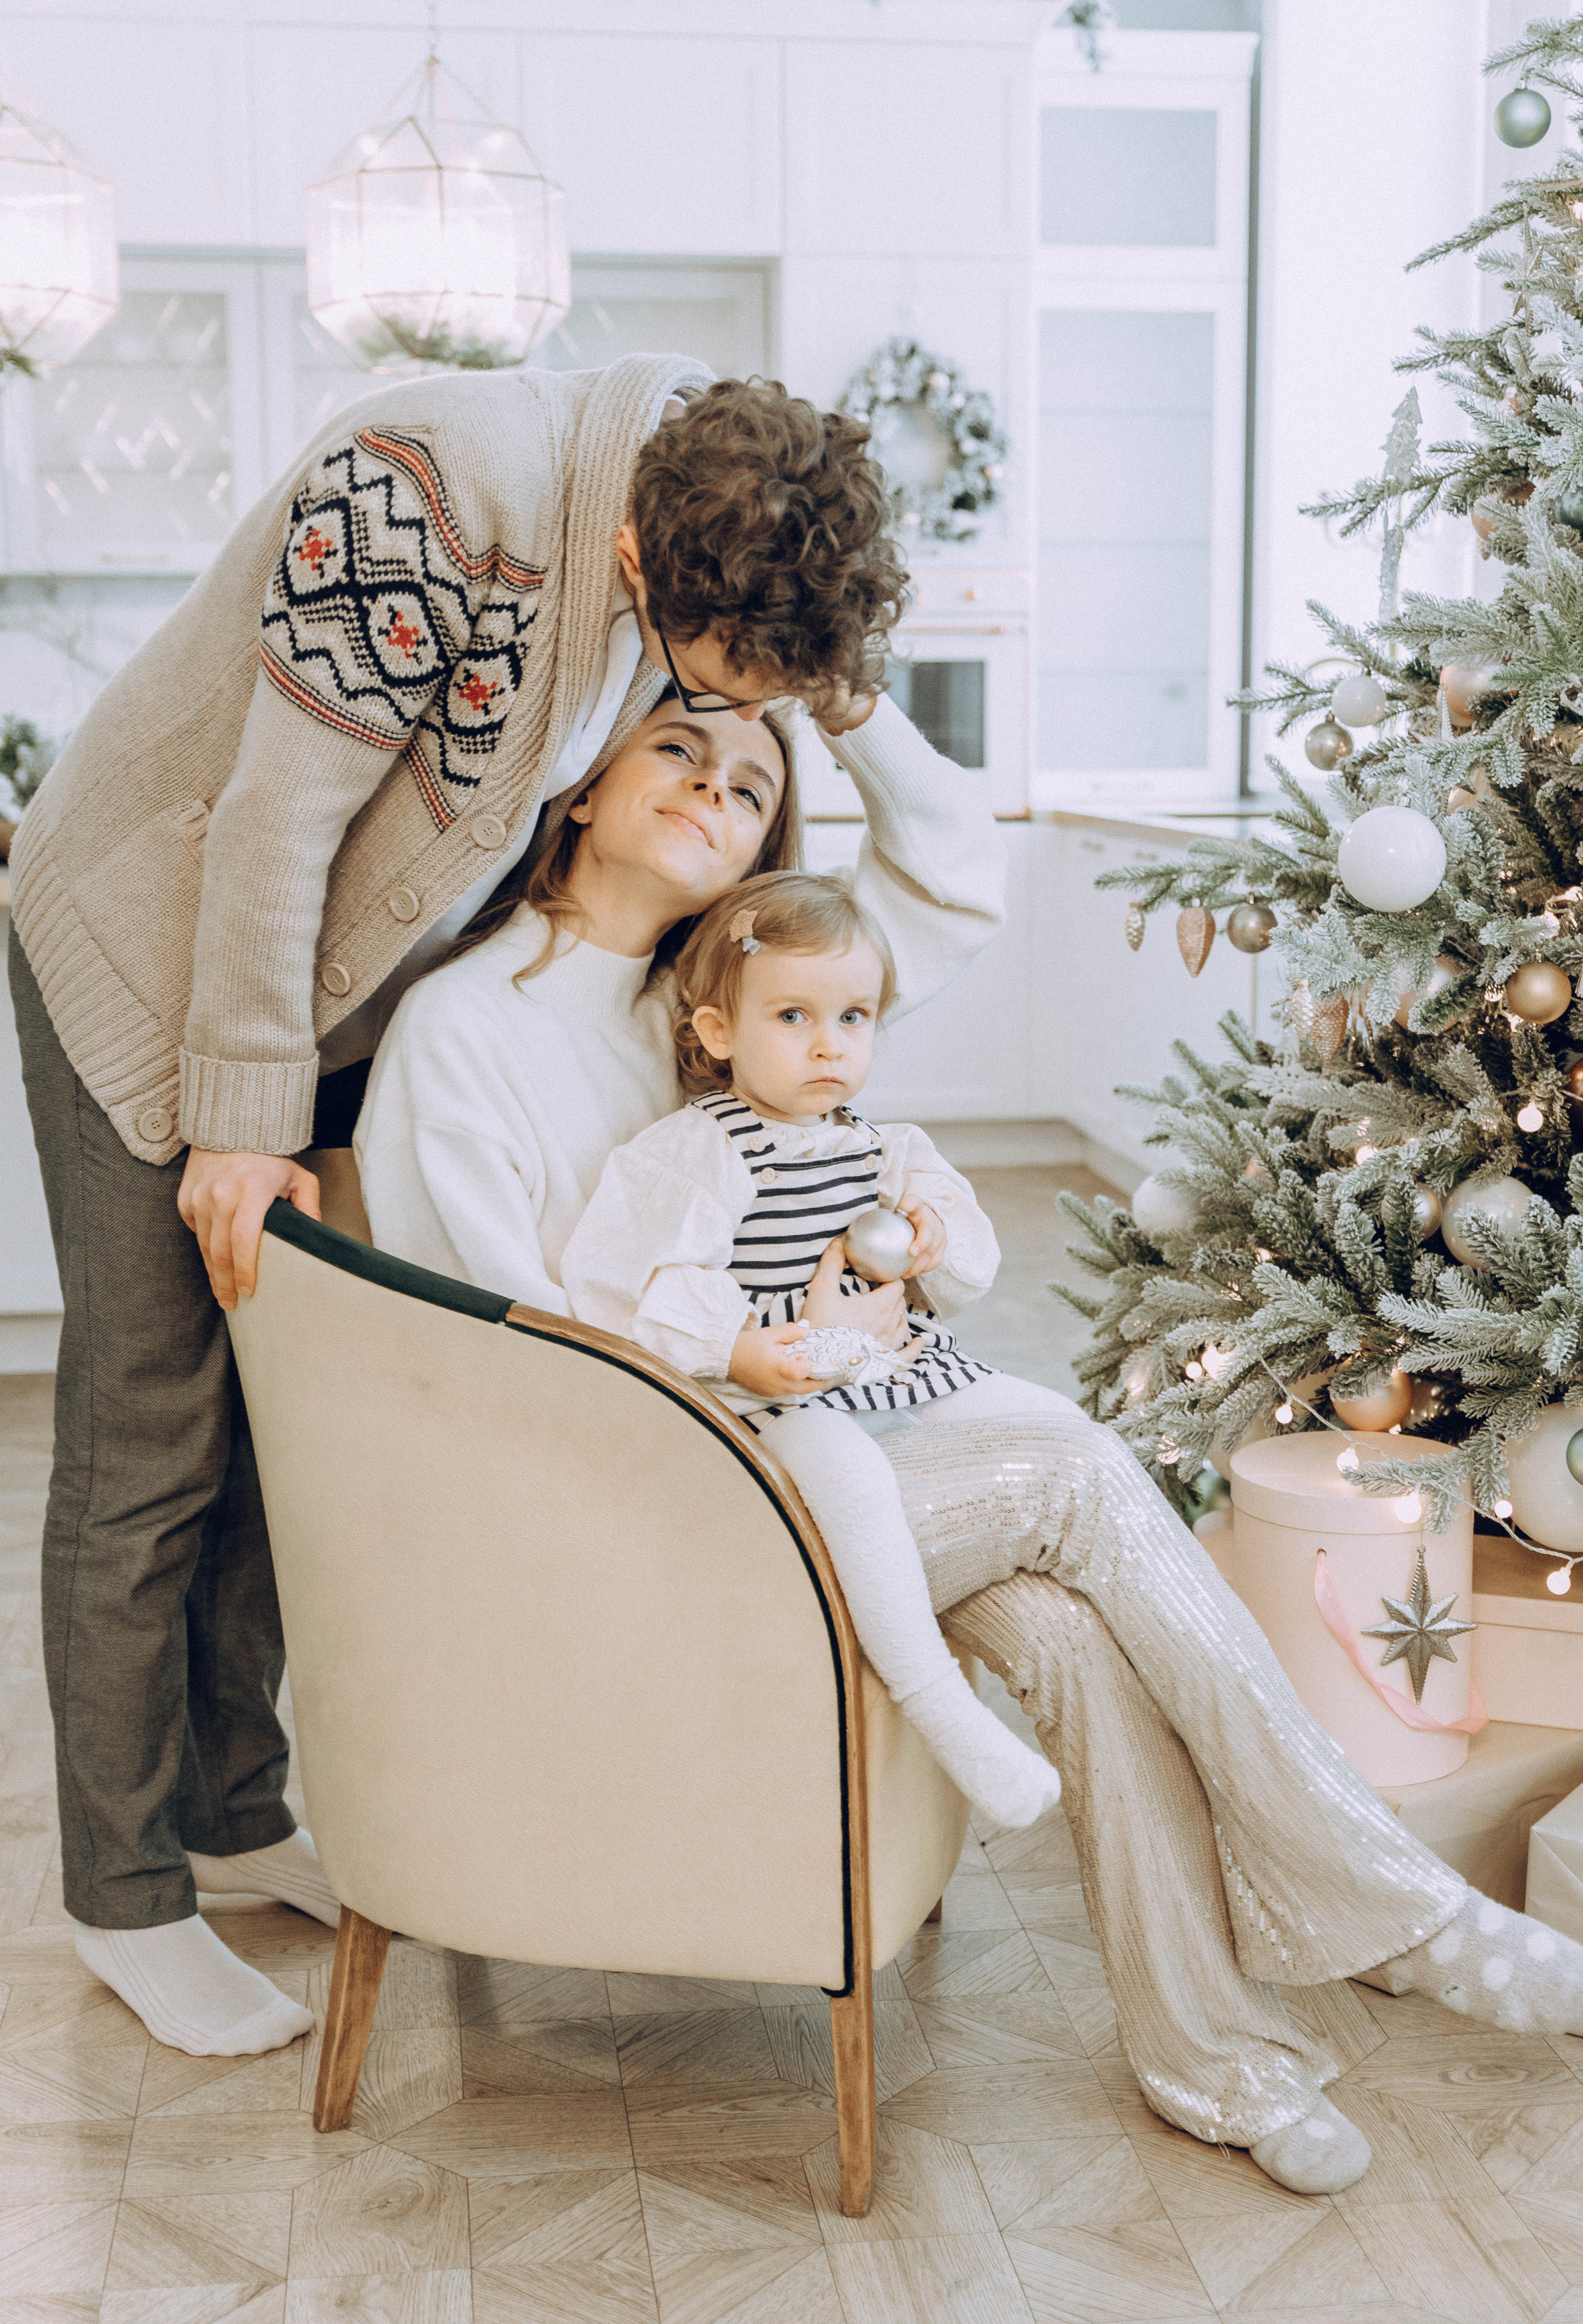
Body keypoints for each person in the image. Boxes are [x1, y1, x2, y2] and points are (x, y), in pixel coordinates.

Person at [361, 680, 1583, 2197]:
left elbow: (950, 870)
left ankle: (1215, 2060)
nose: (713, 793)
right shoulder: (469, 1026)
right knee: (1072, 1467)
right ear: (578, 778)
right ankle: (1382, 1899)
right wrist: (747, 1351)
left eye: (751, 784)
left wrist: (838, 692)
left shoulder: (730, 990)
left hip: (815, 1454)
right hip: (664, 1506)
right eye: (676, 751)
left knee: (1072, 1634)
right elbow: (518, 1362)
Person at [7, 357, 916, 2057]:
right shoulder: (426, 486)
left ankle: (233, 1807)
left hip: (325, 987)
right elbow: (273, 824)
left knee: (280, 1411)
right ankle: (122, 1896)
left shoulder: (727, 523)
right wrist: (241, 1124)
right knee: (151, 1431)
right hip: (155, 944)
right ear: (644, 564)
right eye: (708, 685)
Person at [560, 870, 1062, 1833]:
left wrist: (933, 1236)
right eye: (793, 1016)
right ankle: (943, 1710)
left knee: (1053, 1424)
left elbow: (971, 1267)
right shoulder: (704, 1148)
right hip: (781, 1392)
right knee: (850, 1481)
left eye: (854, 1018)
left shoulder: (884, 1147)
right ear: (718, 1032)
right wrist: (740, 1349)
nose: (830, 1044)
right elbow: (622, 1280)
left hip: (893, 1364)